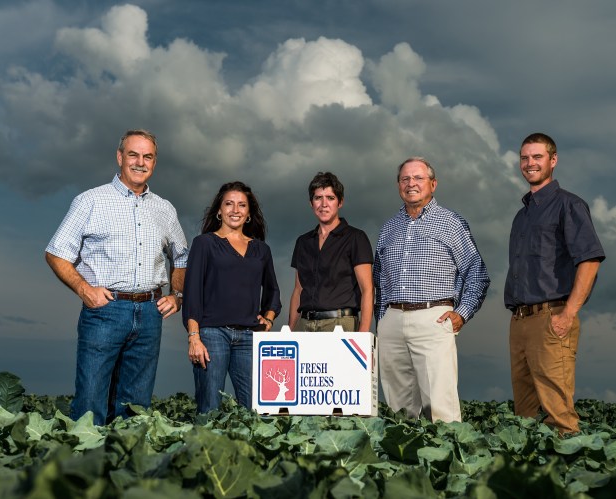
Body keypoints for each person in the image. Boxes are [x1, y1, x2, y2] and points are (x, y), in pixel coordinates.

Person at [45, 129, 188, 425]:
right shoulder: (90, 201)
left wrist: (178, 296)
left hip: (150, 313)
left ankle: (125, 466)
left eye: (147, 156)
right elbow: (56, 253)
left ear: (154, 162)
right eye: (133, 154)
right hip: (105, 311)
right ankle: (87, 466)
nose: (140, 162)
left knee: (135, 407)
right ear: (120, 157)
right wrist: (84, 289)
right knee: (90, 403)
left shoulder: (165, 209)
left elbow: (182, 257)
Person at [373, 157, 490, 423]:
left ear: (433, 184)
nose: (411, 183)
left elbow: (476, 271)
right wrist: (382, 320)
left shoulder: (451, 222)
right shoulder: (388, 228)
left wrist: (462, 312)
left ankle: (446, 460)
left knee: (440, 405)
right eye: (405, 179)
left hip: (433, 316)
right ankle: (402, 459)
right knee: (398, 408)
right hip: (392, 320)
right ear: (398, 185)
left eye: (418, 178)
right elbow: (379, 277)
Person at [505, 133, 605, 435]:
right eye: (525, 158)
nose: (530, 163)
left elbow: (589, 260)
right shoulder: (521, 216)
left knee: (558, 416)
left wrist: (568, 314)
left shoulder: (569, 205)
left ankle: (567, 475)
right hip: (520, 321)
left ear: (553, 160)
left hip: (552, 319)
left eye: (537, 157)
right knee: (523, 416)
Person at [183, 181, 281, 413]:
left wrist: (268, 318)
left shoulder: (261, 250)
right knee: (210, 406)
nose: (235, 210)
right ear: (219, 210)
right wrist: (194, 337)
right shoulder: (204, 244)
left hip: (250, 337)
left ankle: (246, 450)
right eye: (229, 204)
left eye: (241, 205)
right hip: (211, 334)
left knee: (254, 408)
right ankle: (206, 449)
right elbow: (192, 293)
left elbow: (273, 290)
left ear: (248, 213)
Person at [288, 172, 374, 332]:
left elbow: (367, 289)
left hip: (340, 324)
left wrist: (363, 334)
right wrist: (291, 331)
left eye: (330, 198)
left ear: (340, 202)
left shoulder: (356, 238)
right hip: (304, 324)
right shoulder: (303, 242)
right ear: (311, 203)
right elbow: (298, 290)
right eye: (318, 198)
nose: (324, 204)